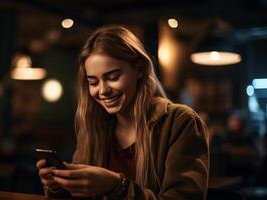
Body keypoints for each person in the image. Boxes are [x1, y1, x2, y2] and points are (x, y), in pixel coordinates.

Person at [36, 25, 209, 199]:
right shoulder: (94, 126)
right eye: (93, 82)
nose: (102, 91)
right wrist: (59, 186)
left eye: (112, 77)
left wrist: (117, 186)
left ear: (139, 69)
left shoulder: (181, 122)